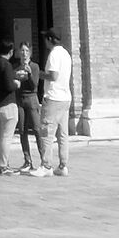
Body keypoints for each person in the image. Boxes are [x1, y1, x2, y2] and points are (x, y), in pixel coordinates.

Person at [37, 29, 72, 177]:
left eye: (46, 38)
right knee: (62, 134)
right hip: (65, 97)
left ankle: (46, 165)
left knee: (47, 132)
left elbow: (53, 76)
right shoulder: (65, 54)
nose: (45, 41)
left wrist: (38, 73)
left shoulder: (54, 54)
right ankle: (63, 165)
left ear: (50, 39)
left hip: (53, 97)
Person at [0, 37, 23, 174]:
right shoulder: (6, 65)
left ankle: (3, 163)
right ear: (10, 51)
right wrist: (17, 83)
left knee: (0, 135)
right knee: (6, 137)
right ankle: (4, 166)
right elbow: (8, 85)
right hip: (7, 104)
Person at [12, 41, 48, 175]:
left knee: (37, 129)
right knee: (22, 130)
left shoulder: (35, 66)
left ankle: (44, 160)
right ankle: (27, 160)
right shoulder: (16, 68)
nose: (24, 53)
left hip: (32, 99)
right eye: (22, 51)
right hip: (20, 100)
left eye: (27, 51)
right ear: (18, 53)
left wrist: (30, 73)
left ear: (30, 53)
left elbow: (34, 85)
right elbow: (14, 84)